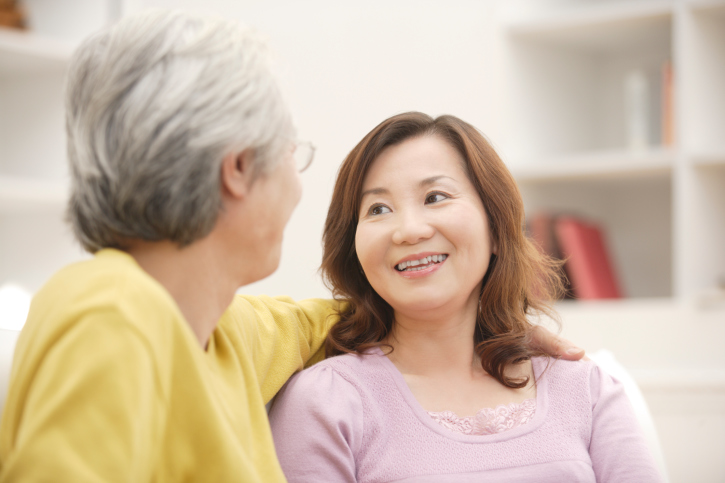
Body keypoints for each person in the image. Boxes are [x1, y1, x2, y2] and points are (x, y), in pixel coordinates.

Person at [0, 11, 585, 483]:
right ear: (238, 169)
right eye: (292, 154)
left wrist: (478, 318)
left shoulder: (220, 329)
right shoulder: (110, 317)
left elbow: (330, 319)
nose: (298, 184)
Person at [269, 112, 663, 482]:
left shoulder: (587, 389)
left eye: (436, 197)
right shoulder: (325, 402)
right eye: (378, 208)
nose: (408, 230)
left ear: (495, 227)